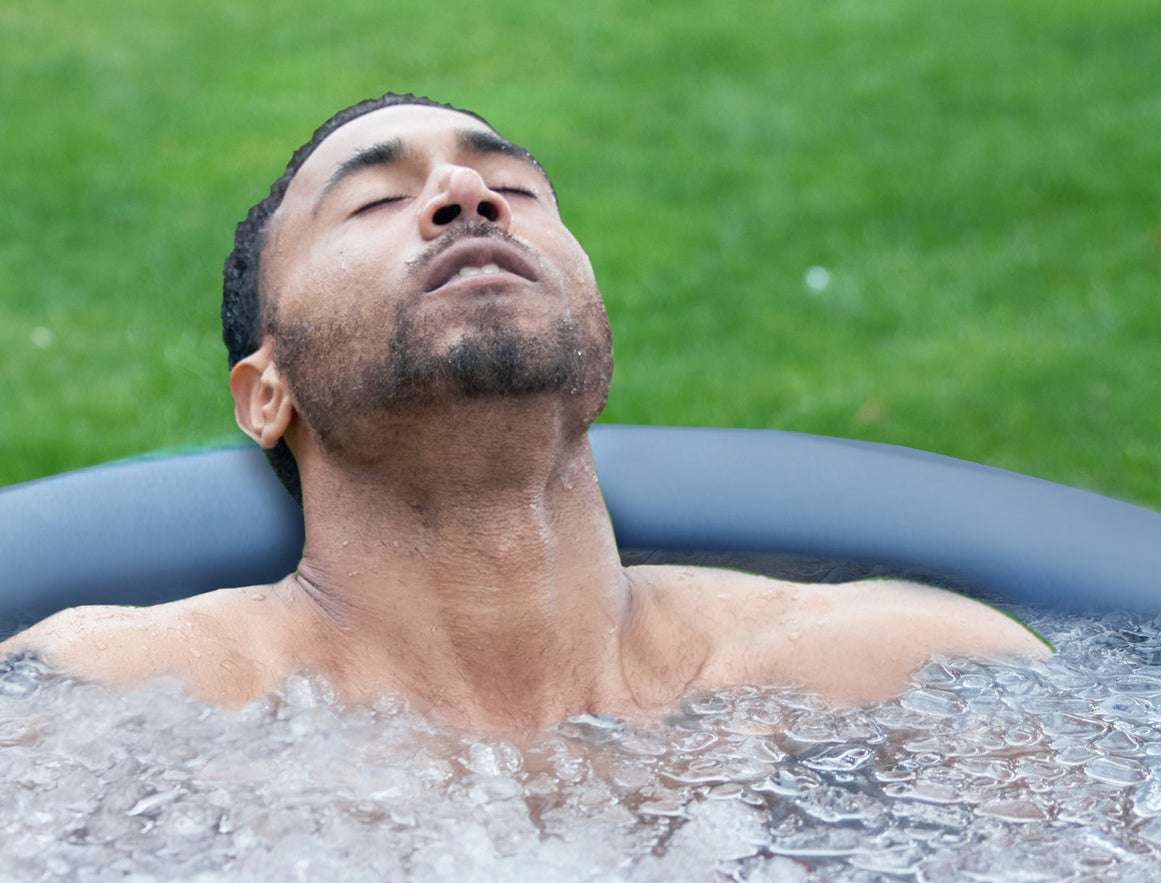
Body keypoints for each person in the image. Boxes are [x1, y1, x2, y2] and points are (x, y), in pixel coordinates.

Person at [4, 94, 1048, 734]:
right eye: (374, 201)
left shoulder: (900, 670)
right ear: (265, 392)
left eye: (514, 185)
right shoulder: (114, 705)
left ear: (595, 344)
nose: (466, 192)